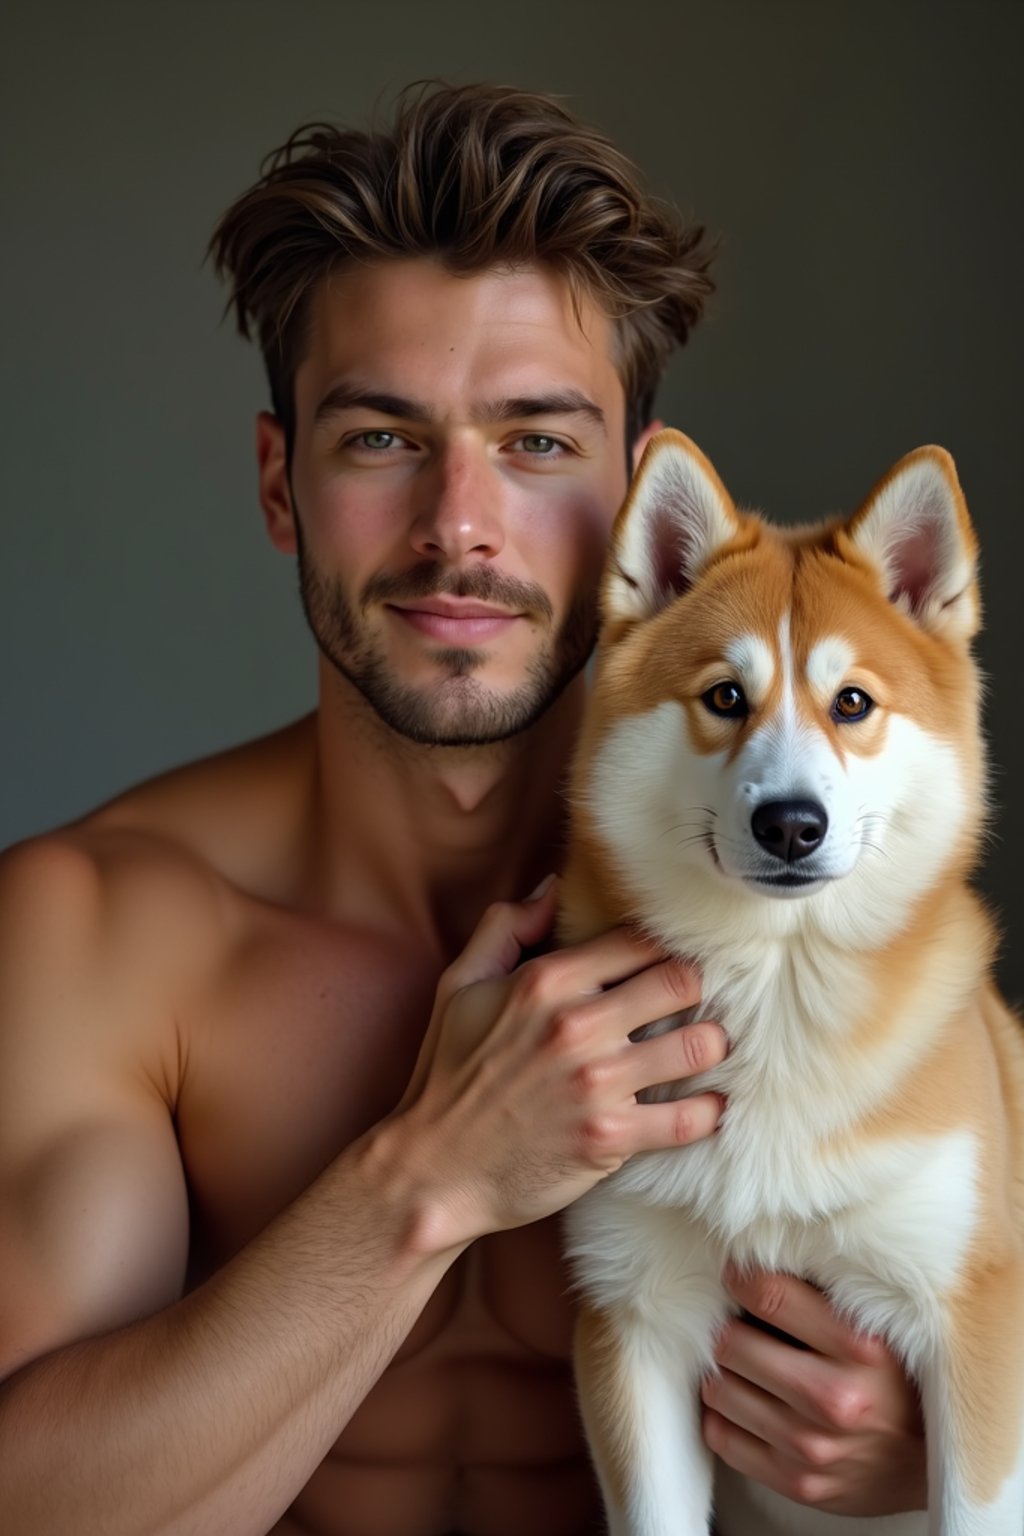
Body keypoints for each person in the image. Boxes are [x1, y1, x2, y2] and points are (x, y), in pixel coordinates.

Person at [0, 83, 926, 1536]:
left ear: (638, 495)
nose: (458, 523)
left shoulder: (821, 887)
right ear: (277, 483)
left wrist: (912, 1459)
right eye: (379, 438)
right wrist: (432, 1176)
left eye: (538, 443)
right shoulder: (97, 925)